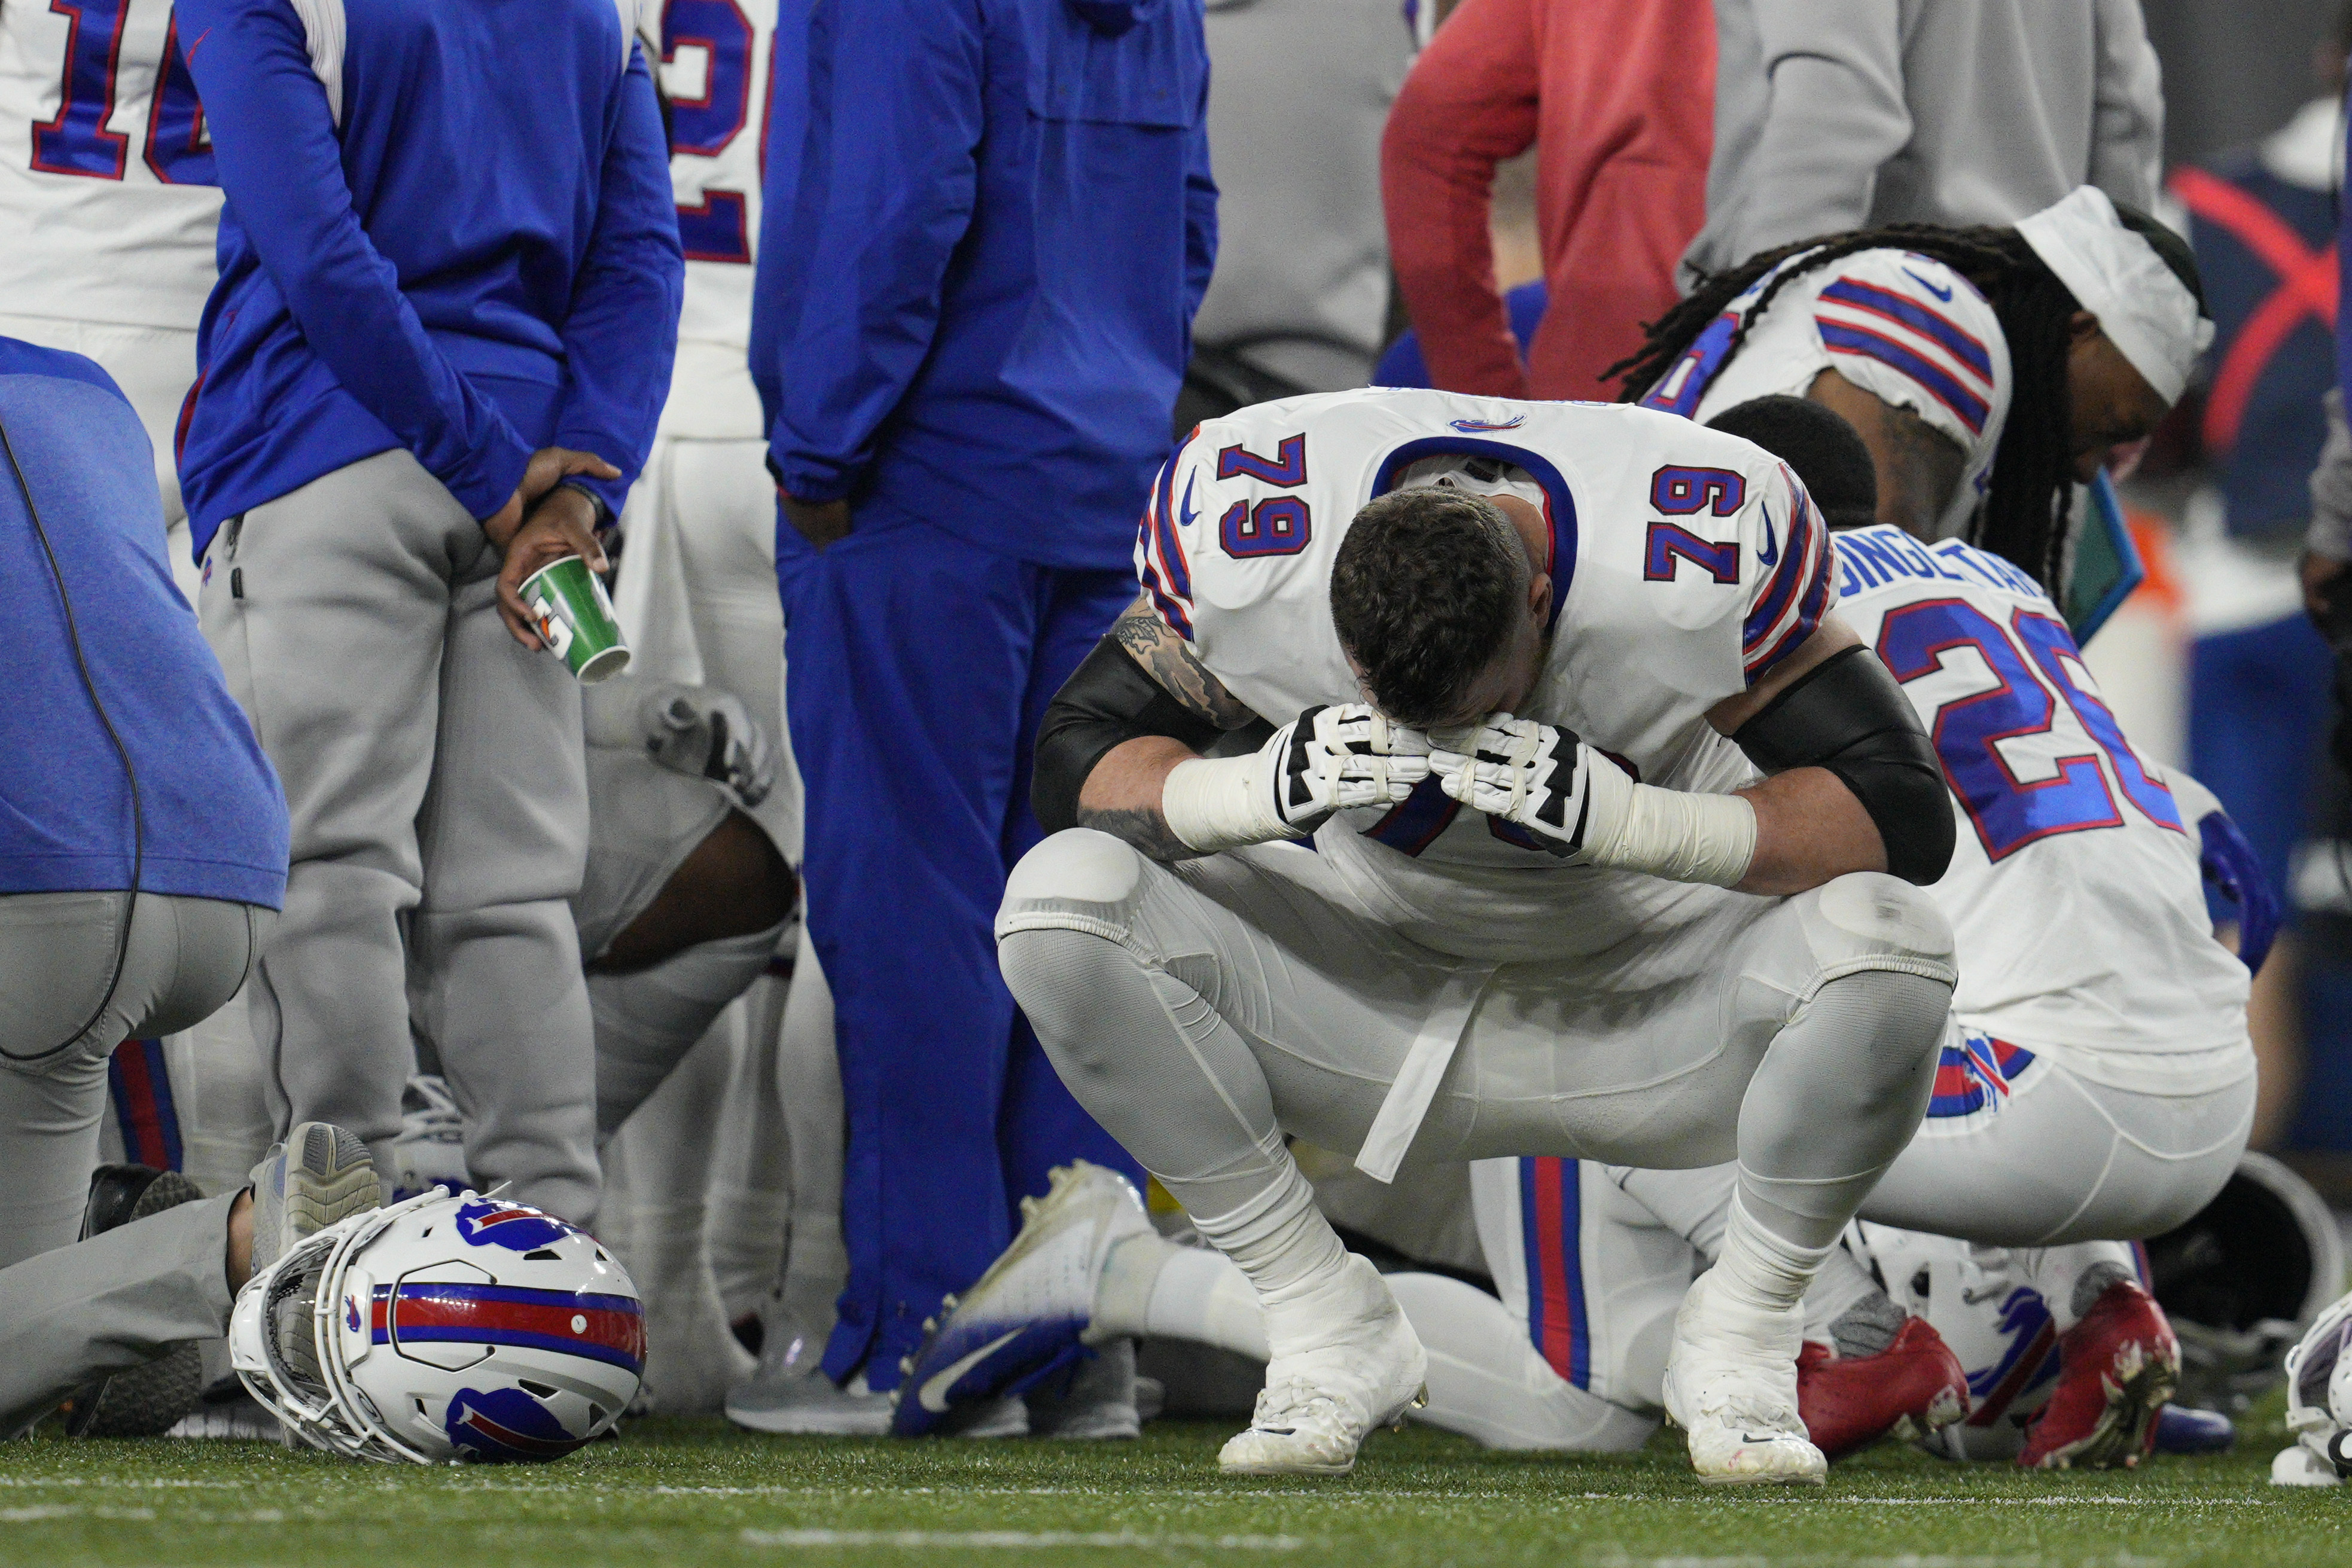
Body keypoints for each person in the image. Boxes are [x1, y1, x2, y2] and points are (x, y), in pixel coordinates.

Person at [950, 383, 1960, 1482]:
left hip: (1652, 989)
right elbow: (1075, 759)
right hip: (1361, 978)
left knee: (1889, 937)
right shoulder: (1258, 523)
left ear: (1540, 602)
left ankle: (1749, 1332)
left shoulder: (1688, 544)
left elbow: (1901, 814)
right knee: (1062, 899)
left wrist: (1642, 821)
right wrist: (1246, 791)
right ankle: (1318, 1312)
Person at [752, 0, 1214, 1426]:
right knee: (1076, 917)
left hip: (923, 473)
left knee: (909, 914)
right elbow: (1185, 222)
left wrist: (820, 438)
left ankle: (926, 1328)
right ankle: (1071, 1341)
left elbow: (883, 202)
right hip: (1101, 477)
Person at [176, 0, 684, 1225]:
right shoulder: (600, 12)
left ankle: (331, 1273)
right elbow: (640, 260)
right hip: (533, 481)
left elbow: (317, 251)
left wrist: (477, 458)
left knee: (327, 879)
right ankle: (557, 1269)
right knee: (510, 899)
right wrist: (574, 483)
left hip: (333, 444)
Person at [1615, 187, 2209, 587]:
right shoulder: (1929, 312)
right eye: (2107, 432)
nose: (2086, 469)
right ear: (2078, 332)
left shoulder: (1928, 308)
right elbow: (1876, 598)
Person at [1683, 0, 2163, 284]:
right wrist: (2113, 335)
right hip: (2038, 336)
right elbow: (2127, 107)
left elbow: (1836, 106)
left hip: (1882, 353)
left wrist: (1756, 318)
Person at [1379, 0, 1713, 399]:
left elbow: (1427, 139)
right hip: (1765, 383)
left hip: (1600, 401)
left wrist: (1485, 406)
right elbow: (1428, 142)